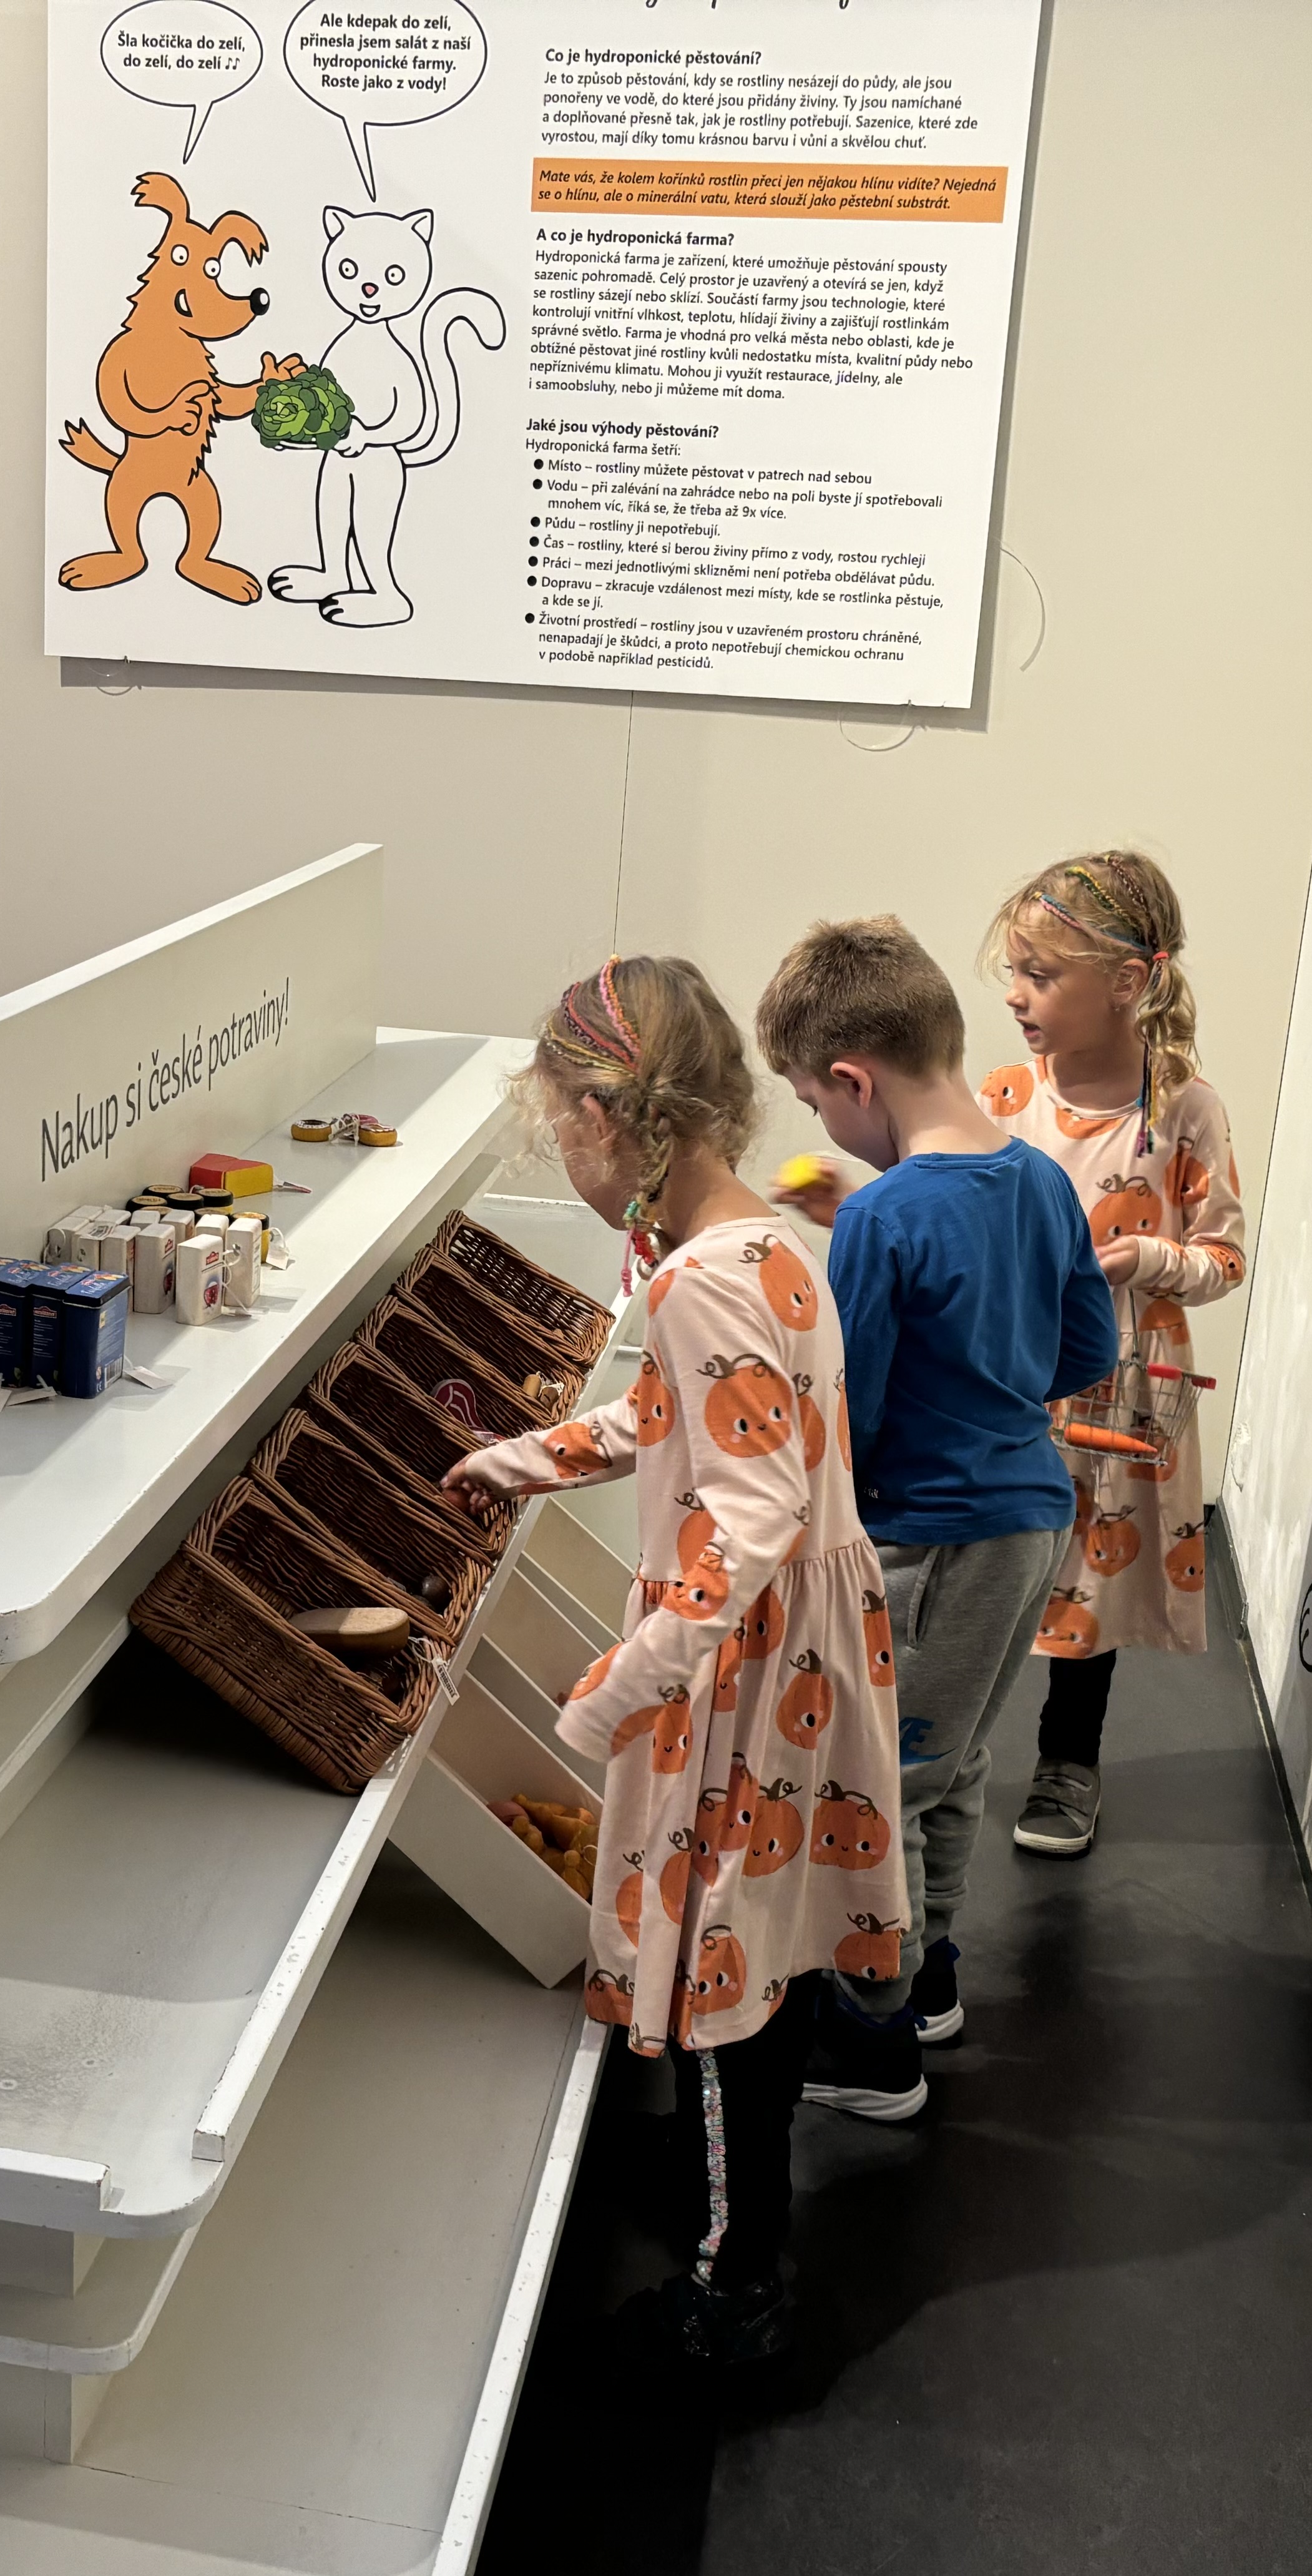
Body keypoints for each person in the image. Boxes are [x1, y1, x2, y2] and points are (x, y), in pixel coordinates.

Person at [448, 953, 901, 2367]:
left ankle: (732, 2289)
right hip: (804, 1654)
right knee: (763, 1948)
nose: (566, 1154)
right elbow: (681, 1414)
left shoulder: (699, 1282)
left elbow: (750, 1515)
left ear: (605, 1118)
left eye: (560, 1127)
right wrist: (533, 1457)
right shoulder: (767, 1241)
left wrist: (621, 1681)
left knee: (715, 1971)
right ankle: (728, 2183)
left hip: (738, 1671)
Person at [755, 918, 1115, 2120]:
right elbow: (1084, 1347)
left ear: (852, 1079)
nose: (822, 1124)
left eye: (814, 1102)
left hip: (929, 1540)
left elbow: (847, 1406)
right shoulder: (1042, 1179)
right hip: (1030, 1520)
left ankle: (872, 2037)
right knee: (950, 1762)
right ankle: (930, 1977)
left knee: (880, 1787)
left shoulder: (884, 1219)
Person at [974, 852, 1248, 1857]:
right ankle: (951, 1744)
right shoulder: (1003, 1098)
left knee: (1095, 1570)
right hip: (1012, 1378)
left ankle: (1067, 1759)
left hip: (1124, 1386)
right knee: (991, 1559)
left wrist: (1150, 1258)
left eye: (1041, 975)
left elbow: (1225, 1257)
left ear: (1127, 983)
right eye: (1014, 971)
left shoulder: (1184, 1108)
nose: (1016, 995)